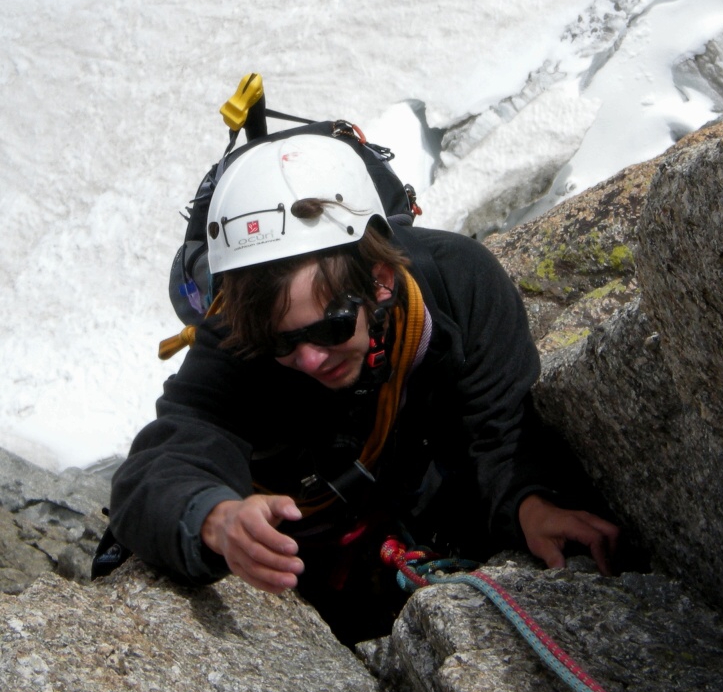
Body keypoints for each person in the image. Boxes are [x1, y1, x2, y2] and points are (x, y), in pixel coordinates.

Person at [106, 132, 619, 643]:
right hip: (311, 560)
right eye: (282, 342)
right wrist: (214, 518)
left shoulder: (458, 284)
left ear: (379, 280)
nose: (307, 359)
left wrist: (529, 503)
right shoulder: (241, 339)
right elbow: (166, 457)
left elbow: (504, 426)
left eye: (330, 328)